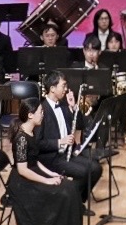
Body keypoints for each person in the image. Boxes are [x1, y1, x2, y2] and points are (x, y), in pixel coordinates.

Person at [9, 98, 83, 225]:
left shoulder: (32, 131)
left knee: (70, 187)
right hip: (22, 183)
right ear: (30, 115)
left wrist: (51, 173)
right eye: (40, 112)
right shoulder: (21, 138)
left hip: (33, 172)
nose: (43, 114)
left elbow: (35, 160)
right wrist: (47, 181)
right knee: (62, 193)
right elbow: (23, 170)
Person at [35, 71, 102, 207]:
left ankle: (77, 202)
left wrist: (73, 107)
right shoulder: (41, 110)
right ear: (52, 88)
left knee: (96, 168)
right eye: (63, 86)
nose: (66, 89)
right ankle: (71, 204)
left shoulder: (64, 105)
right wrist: (60, 142)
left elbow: (80, 125)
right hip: (52, 157)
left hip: (67, 153)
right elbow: (38, 143)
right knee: (84, 172)